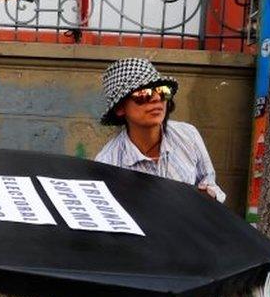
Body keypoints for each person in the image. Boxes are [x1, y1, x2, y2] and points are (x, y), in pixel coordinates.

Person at [94, 58, 226, 203]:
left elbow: (209, 182)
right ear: (120, 108)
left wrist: (210, 195)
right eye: (143, 94)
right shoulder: (108, 162)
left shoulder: (188, 136)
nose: (157, 98)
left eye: (163, 91)